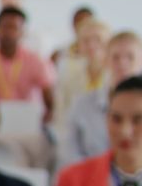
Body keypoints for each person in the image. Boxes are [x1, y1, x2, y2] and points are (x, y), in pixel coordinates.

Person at [59, 32, 142, 170]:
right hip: (90, 183)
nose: (122, 63)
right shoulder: (82, 105)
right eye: (116, 57)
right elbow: (69, 154)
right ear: (106, 61)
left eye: (130, 57)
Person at [0, 7, 55, 124]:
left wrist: (46, 121)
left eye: (14, 28)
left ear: (23, 32)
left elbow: (49, 97)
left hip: (28, 124)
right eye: (5, 27)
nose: (9, 33)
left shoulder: (36, 62)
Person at [53, 19, 110, 137]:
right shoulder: (68, 75)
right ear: (79, 44)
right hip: (77, 138)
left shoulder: (117, 74)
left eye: (97, 39)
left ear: (109, 43)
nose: (91, 45)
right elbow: (61, 114)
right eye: (86, 40)